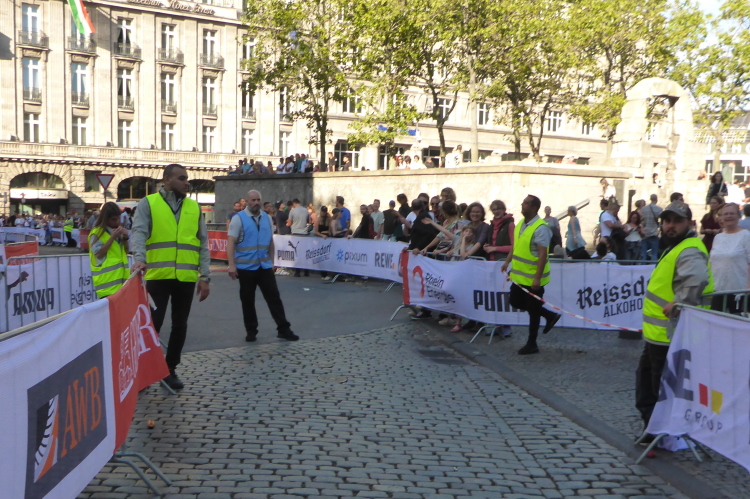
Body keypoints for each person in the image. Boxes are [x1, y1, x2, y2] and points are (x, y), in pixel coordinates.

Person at [636, 201, 713, 441]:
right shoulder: (676, 246)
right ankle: (653, 428)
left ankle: (659, 433)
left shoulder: (688, 248)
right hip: (660, 334)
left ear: (689, 223)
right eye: (667, 221)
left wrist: (679, 303)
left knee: (659, 387)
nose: (670, 226)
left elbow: (697, 279)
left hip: (671, 334)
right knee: (647, 382)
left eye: (677, 221)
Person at [130, 164, 211, 390]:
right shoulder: (149, 203)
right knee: (152, 324)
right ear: (166, 180)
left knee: (180, 325)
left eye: (187, 178)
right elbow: (139, 232)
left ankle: (170, 369)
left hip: (186, 277)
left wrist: (205, 276)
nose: (186, 182)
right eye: (181, 178)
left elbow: (202, 243)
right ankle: (144, 371)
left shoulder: (194, 207)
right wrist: (139, 258)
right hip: (158, 275)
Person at [227, 190, 299, 343]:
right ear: (247, 201)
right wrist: (231, 265)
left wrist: (272, 262)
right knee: (248, 301)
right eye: (253, 200)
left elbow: (270, 241)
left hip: (264, 266)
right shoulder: (239, 218)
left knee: (274, 298)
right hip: (246, 268)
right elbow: (231, 242)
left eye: (258, 200)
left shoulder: (266, 218)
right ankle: (251, 331)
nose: (256, 203)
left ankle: (283, 329)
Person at [501, 195, 562, 355]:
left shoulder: (541, 228)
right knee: (515, 301)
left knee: (533, 310)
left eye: (526, 203)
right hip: (519, 276)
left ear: (534, 207)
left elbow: (543, 255)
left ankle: (532, 343)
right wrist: (507, 262)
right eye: (523, 202)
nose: (522, 205)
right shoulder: (521, 224)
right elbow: (516, 246)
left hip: (533, 278)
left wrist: (537, 278)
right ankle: (549, 315)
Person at [709, 203, 750, 314]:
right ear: (721, 217)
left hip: (739, 292)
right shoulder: (718, 237)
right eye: (725, 214)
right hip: (718, 290)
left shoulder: (746, 236)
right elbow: (712, 261)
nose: (729, 216)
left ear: (739, 216)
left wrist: (748, 288)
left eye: (732, 213)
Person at [88, 202, 130, 299]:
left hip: (121, 284)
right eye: (114, 219)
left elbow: (126, 252)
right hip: (107, 285)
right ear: (105, 218)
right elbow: (99, 254)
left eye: (119, 219)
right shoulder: (96, 233)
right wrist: (112, 237)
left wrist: (125, 238)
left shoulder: (115, 231)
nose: (117, 222)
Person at [288, 199, 311, 277]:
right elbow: (308, 221)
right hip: (304, 233)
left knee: (296, 252)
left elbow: (289, 223)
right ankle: (306, 271)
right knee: (304, 252)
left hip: (295, 233)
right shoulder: (306, 210)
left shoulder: (292, 211)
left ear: (294, 203)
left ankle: (297, 272)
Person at [640, 194, 662, 262]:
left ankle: (643, 267)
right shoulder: (659, 209)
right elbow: (663, 222)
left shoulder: (643, 209)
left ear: (650, 199)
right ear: (656, 199)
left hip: (645, 234)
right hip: (654, 233)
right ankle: (652, 267)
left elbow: (641, 221)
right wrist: (659, 230)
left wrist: (642, 229)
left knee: (643, 253)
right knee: (654, 254)